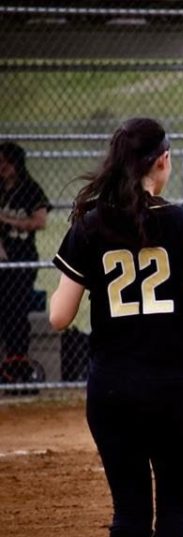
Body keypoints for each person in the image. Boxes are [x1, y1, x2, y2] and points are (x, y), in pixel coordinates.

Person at [47, 118, 183, 537]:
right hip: (171, 387)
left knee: (130, 514)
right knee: (177, 512)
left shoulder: (92, 223)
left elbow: (59, 316)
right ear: (162, 161)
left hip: (112, 388)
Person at [0, 141, 50, 386]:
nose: (1, 168)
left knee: (17, 312)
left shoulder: (30, 189)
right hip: (3, 261)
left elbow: (40, 222)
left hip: (22, 260)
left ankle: (17, 364)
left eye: (5, 163)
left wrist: (6, 219)